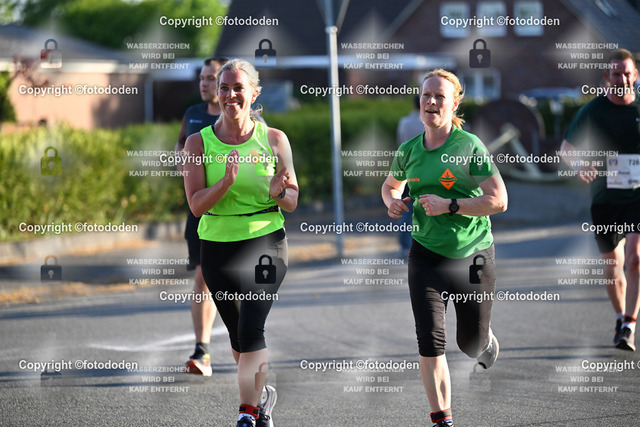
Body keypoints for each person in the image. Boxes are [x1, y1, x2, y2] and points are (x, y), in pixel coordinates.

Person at [381, 69, 508, 427]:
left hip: (473, 254)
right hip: (426, 254)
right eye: (426, 95)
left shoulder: (469, 146)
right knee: (429, 339)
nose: (432, 102)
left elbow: (499, 200)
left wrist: (450, 205)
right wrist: (392, 202)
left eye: (440, 96)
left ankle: (484, 341)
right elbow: (390, 185)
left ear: (454, 104)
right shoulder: (409, 150)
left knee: (470, 343)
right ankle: (442, 420)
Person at [183, 58, 298, 427]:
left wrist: (278, 192)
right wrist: (225, 183)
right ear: (217, 93)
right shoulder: (197, 143)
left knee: (251, 329)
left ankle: (248, 414)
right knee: (237, 336)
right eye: (224, 88)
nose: (230, 95)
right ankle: (260, 397)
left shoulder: (274, 139)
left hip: (266, 242)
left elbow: (292, 200)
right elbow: (196, 205)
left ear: (254, 93)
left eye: (238, 88)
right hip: (217, 245)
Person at [560, 48, 640, 351]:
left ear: (635, 75)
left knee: (635, 259)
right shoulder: (593, 110)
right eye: (616, 74)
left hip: (637, 196)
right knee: (613, 265)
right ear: (607, 77)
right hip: (605, 199)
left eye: (627, 73)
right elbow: (567, 149)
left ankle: (629, 325)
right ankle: (620, 317)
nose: (622, 79)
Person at [175, 57, 228, 376]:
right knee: (202, 277)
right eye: (202, 78)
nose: (205, 84)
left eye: (211, 78)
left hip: (237, 214)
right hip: (200, 211)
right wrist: (185, 165)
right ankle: (202, 351)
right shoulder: (193, 114)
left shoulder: (246, 118)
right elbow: (180, 148)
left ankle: (247, 342)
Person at [396, 95, 424, 258]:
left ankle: (404, 246)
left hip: (407, 169)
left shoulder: (404, 122)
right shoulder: (430, 124)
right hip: (427, 171)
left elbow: (400, 143)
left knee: (406, 209)